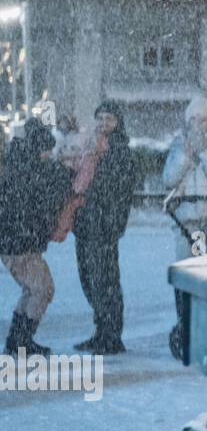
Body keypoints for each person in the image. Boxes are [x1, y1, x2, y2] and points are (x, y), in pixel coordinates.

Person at [0, 123, 73, 357]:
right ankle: (22, 342)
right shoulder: (28, 171)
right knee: (43, 289)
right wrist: (66, 172)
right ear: (37, 148)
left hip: (15, 243)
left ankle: (17, 340)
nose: (49, 155)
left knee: (32, 289)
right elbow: (43, 197)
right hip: (20, 244)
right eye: (47, 151)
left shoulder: (17, 165)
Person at [71, 101, 137, 354]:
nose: (103, 123)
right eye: (100, 118)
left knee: (105, 281)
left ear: (117, 122)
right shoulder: (89, 148)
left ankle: (111, 335)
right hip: (86, 223)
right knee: (89, 279)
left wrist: (112, 222)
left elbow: (120, 192)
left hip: (104, 225)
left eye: (109, 118)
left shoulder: (119, 151)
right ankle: (101, 331)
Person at [162, 94, 207, 257]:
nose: (198, 125)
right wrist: (185, 157)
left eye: (202, 120)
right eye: (194, 119)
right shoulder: (179, 145)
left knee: (203, 266)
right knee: (185, 265)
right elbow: (168, 179)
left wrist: (205, 152)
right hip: (185, 219)